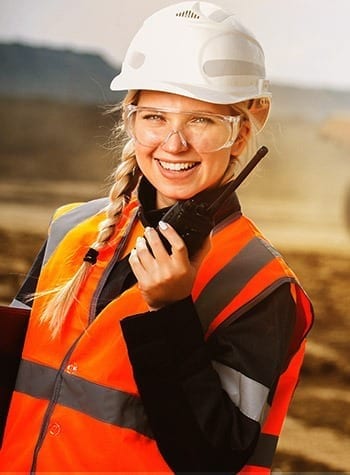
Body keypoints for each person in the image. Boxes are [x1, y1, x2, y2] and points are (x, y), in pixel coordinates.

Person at [0, 1, 314, 473]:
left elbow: (211, 457)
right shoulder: (70, 229)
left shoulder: (259, 287)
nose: (173, 144)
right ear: (130, 119)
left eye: (201, 121)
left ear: (244, 129)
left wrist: (171, 314)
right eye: (154, 118)